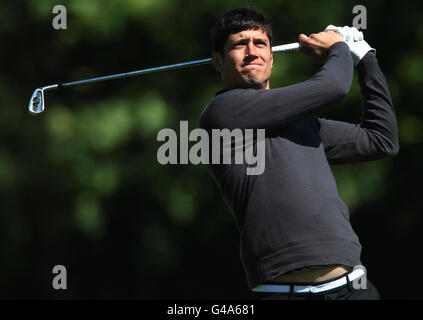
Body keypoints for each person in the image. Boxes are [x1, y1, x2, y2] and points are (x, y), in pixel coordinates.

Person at [199, 7, 399, 300]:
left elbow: (381, 139)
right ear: (217, 61)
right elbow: (333, 86)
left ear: (272, 56)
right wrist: (339, 48)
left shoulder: (306, 125)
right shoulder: (220, 115)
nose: (252, 52)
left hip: (351, 288)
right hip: (281, 293)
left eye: (261, 44)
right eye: (240, 44)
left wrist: (367, 60)